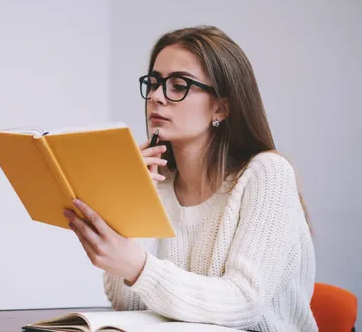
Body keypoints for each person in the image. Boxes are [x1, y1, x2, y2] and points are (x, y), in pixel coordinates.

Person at [62, 25, 317, 332]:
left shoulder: (267, 174)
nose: (156, 96)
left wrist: (139, 267)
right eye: (154, 83)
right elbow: (127, 303)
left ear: (221, 106)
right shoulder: (159, 181)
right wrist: (135, 195)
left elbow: (244, 303)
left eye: (178, 85)